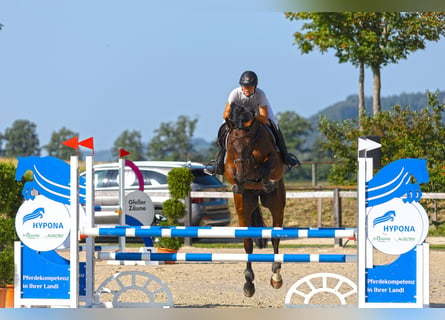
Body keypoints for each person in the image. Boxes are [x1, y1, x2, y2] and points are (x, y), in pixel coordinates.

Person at [205, 70, 300, 176]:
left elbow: (264, 118)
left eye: (250, 86)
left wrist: (254, 114)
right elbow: (225, 114)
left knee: (274, 124)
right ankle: (218, 162)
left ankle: (286, 156)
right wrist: (236, 115)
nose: (247, 89)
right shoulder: (235, 93)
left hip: (256, 115)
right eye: (245, 86)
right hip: (238, 118)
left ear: (255, 86)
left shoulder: (260, 94)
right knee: (224, 128)